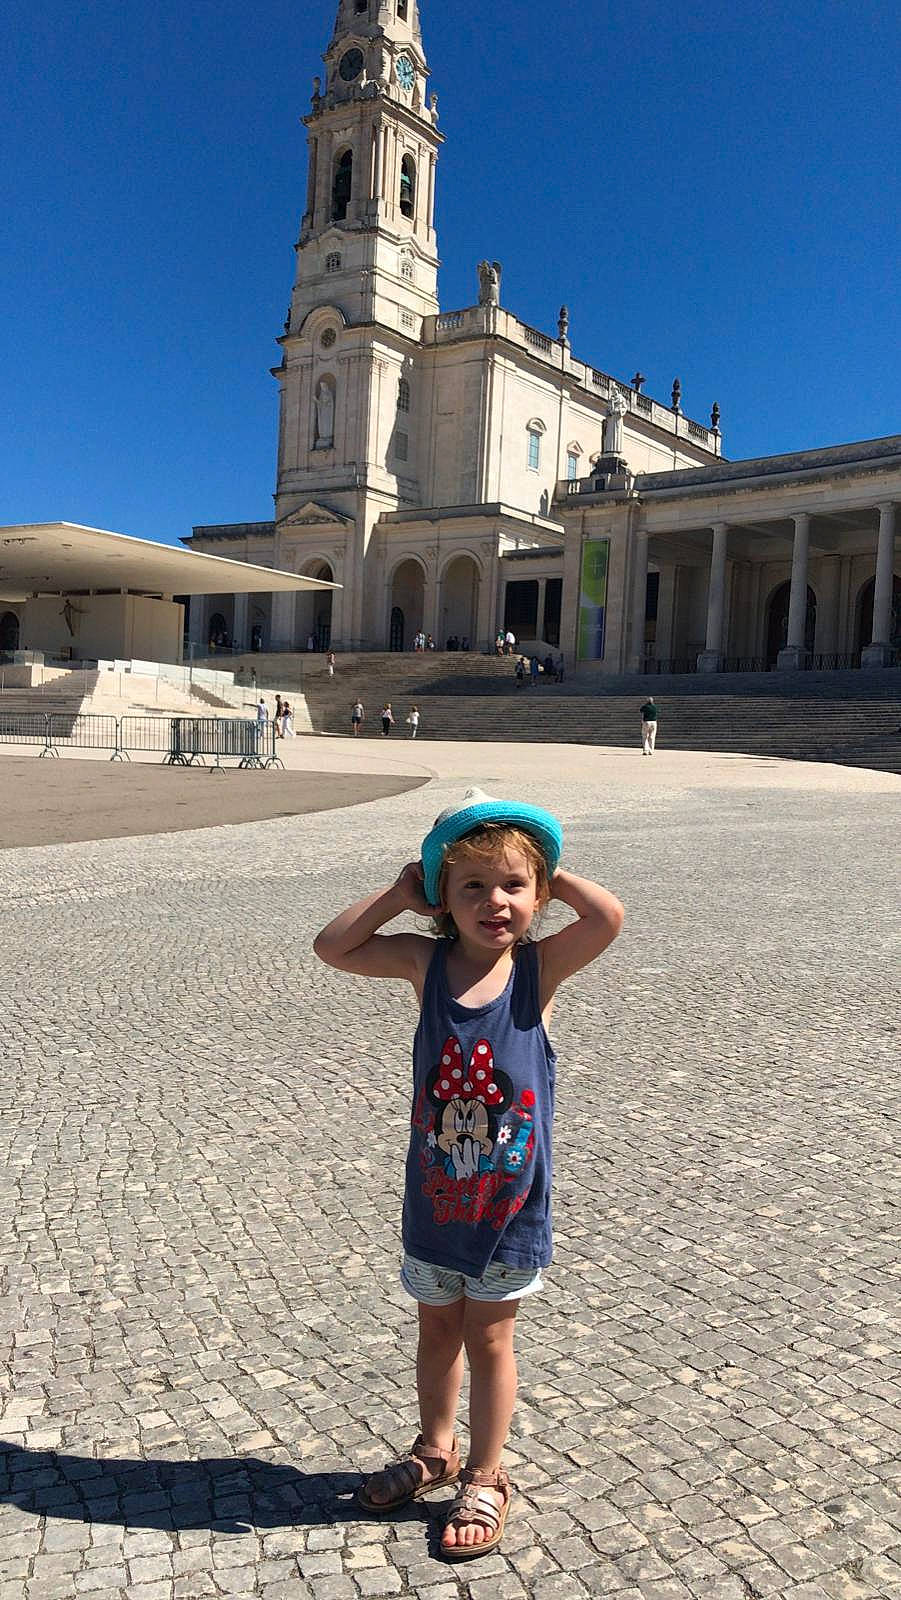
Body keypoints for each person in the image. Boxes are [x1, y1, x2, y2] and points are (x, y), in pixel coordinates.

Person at [313, 788, 624, 1560]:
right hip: (436, 1197)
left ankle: (485, 1473)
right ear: (442, 902)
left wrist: (550, 865)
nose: (496, 902)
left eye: (514, 886)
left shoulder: (539, 968)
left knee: (489, 1339)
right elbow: (332, 946)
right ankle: (434, 1448)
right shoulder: (425, 962)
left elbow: (608, 919)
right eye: (473, 887)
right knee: (434, 1333)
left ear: (539, 896)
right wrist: (396, 891)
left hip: (510, 1206)